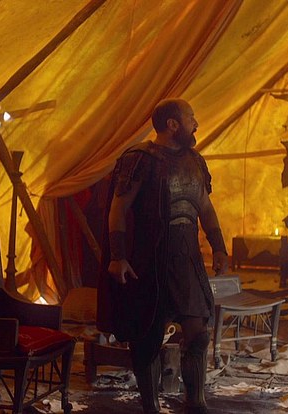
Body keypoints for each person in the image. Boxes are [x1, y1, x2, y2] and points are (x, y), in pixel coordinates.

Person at [97, 98, 228, 414]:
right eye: (190, 117)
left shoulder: (195, 161)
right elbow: (118, 210)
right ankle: (151, 407)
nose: (196, 123)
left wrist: (219, 247)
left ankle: (195, 403)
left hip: (187, 261)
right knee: (147, 339)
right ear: (172, 124)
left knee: (198, 335)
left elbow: (205, 209)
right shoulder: (139, 159)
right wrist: (117, 256)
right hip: (150, 263)